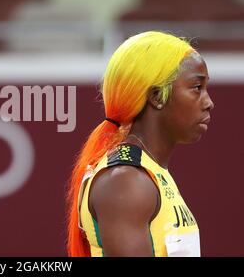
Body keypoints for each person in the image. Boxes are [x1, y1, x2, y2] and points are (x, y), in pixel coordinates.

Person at [67, 31, 214, 257]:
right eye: (196, 88)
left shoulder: (150, 173)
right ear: (157, 97)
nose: (209, 103)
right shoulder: (127, 182)